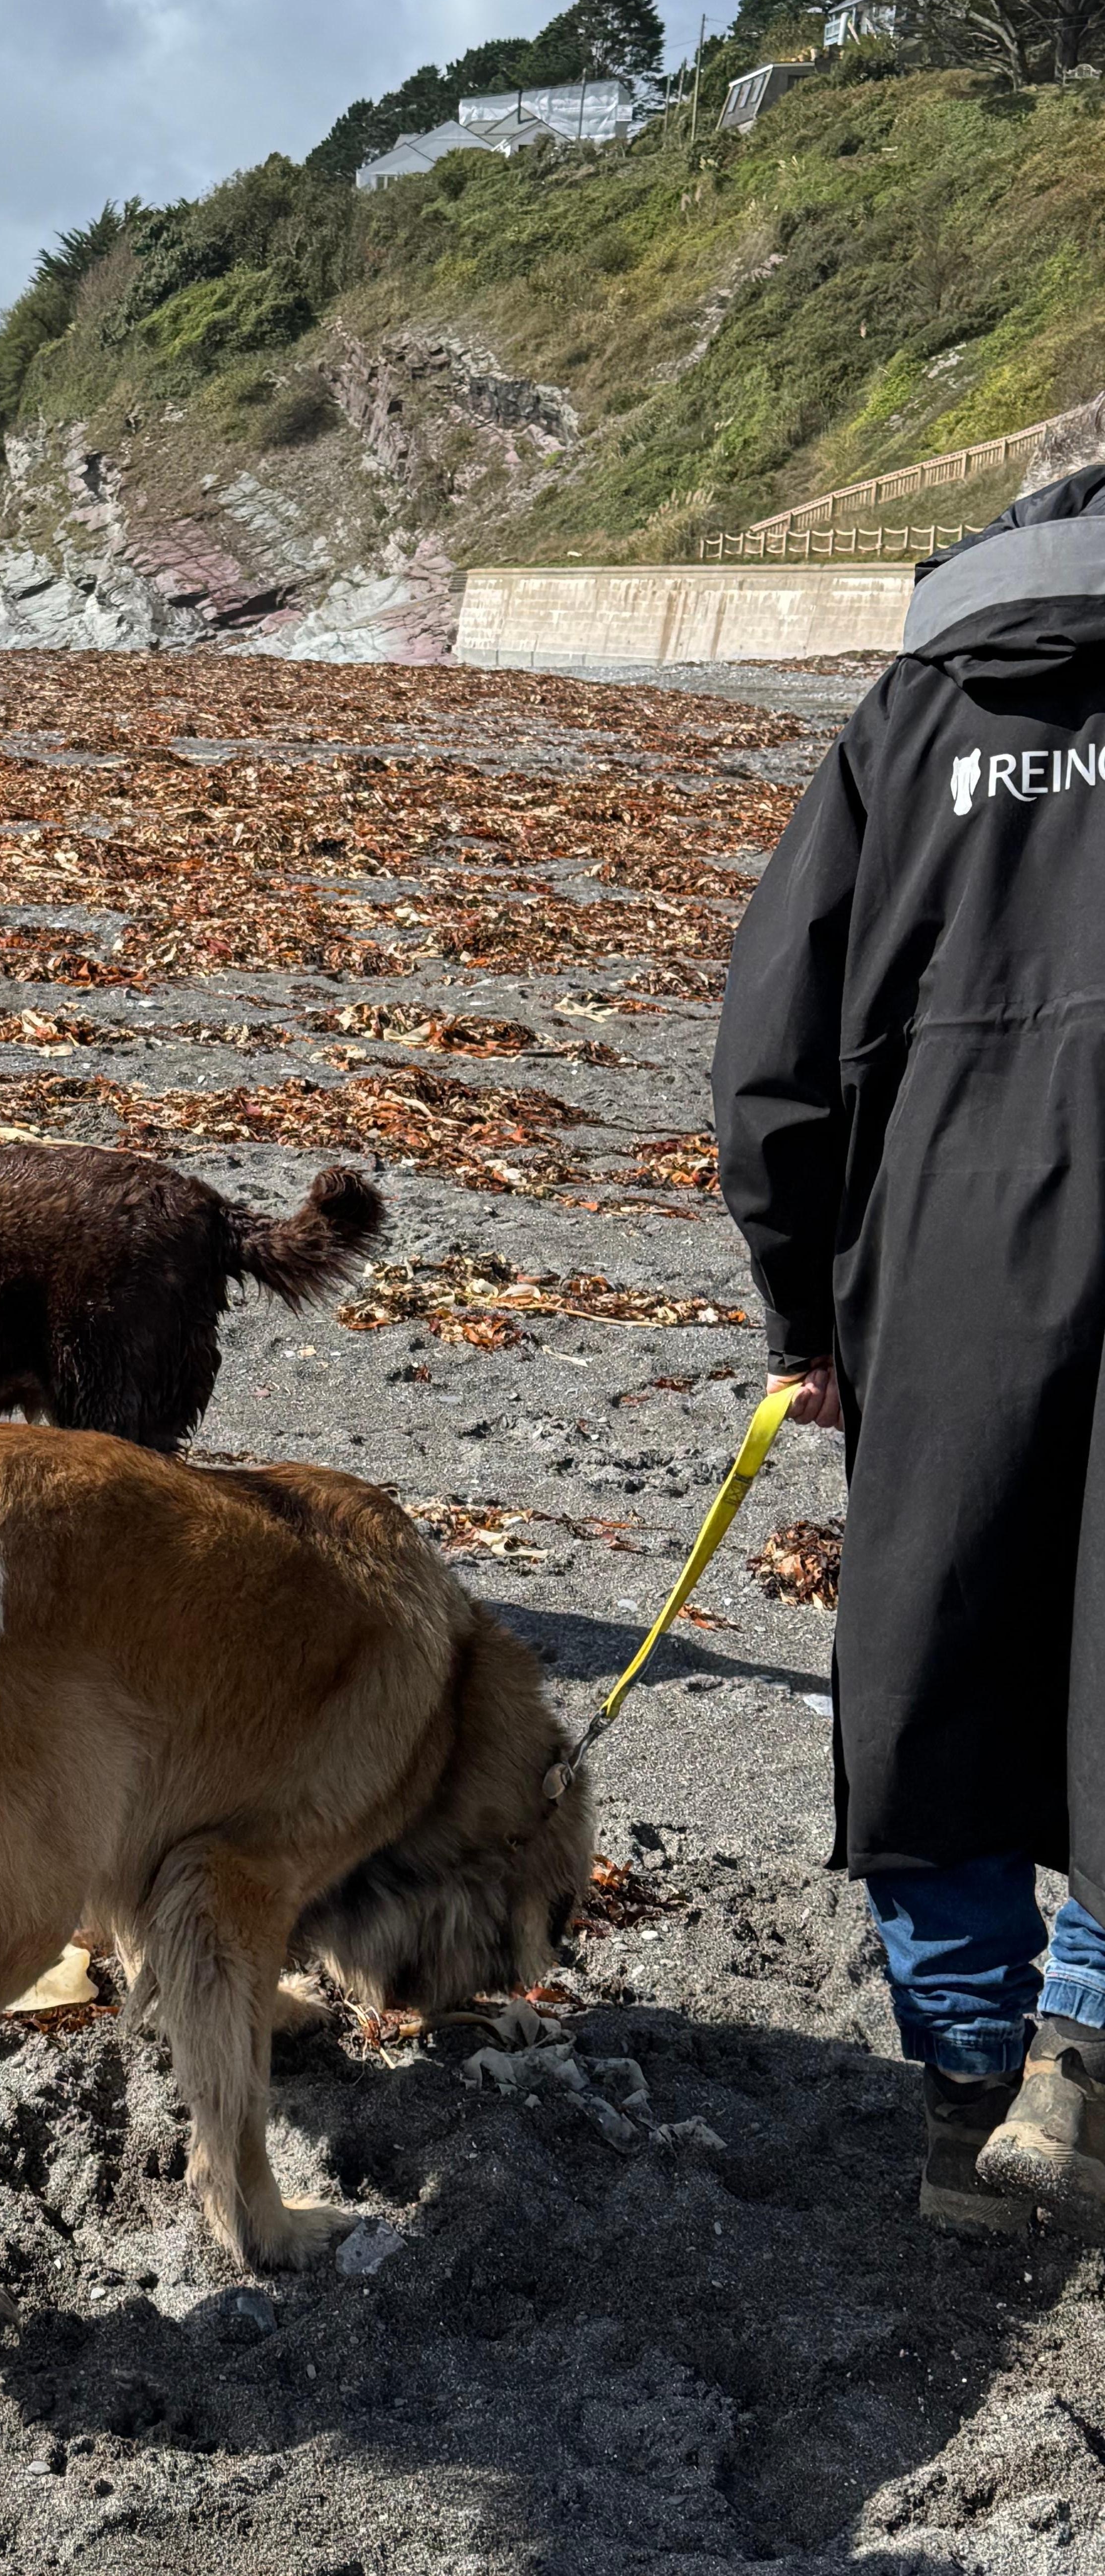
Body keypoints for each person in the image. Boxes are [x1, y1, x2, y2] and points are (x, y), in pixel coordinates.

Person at [713, 465, 1105, 2241]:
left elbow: (772, 1061)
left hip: (941, 1244)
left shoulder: (906, 719)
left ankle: (965, 2099)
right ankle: (1079, 2064)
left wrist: (802, 1312)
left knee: (927, 1647)